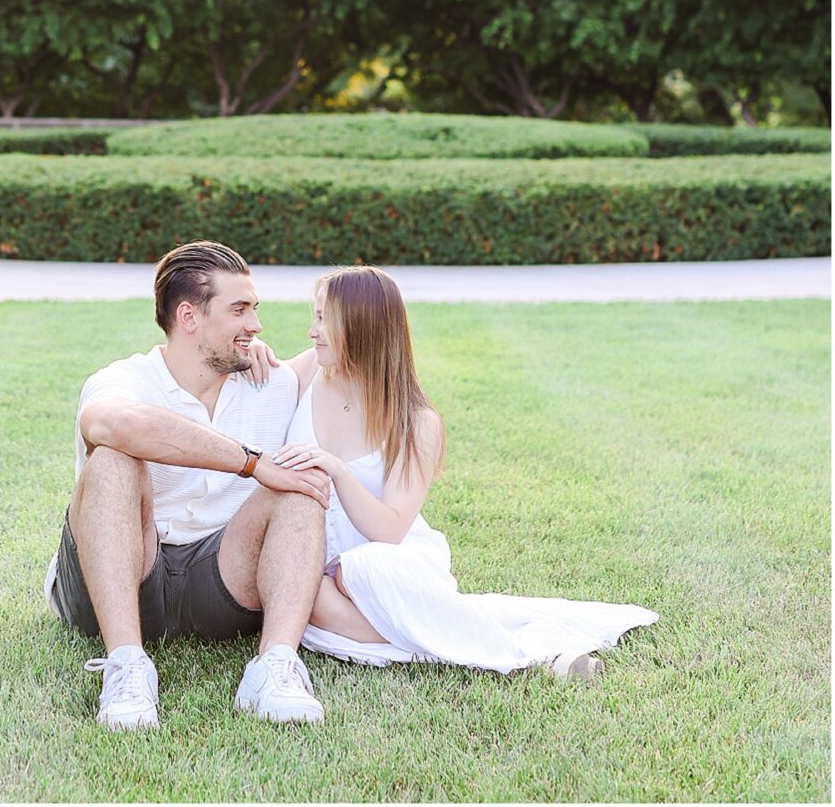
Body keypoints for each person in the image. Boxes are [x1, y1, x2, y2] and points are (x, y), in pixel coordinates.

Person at [252, 265, 658, 677]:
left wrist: (337, 470)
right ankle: (466, 645)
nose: (311, 330)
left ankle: (518, 653)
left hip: (387, 564)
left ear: (361, 326)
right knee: (308, 594)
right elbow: (261, 377)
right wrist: (254, 354)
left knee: (361, 569)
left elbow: (390, 531)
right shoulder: (308, 371)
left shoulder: (417, 423)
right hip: (314, 561)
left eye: (323, 318)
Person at [44, 241, 331, 730]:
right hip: (124, 574)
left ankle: (274, 668)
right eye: (239, 310)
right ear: (189, 317)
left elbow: (350, 349)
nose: (256, 325)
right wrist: (251, 463)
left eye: (254, 310)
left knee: (301, 486)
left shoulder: (273, 383)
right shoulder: (124, 380)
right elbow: (114, 425)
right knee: (113, 460)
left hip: (219, 578)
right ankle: (127, 666)